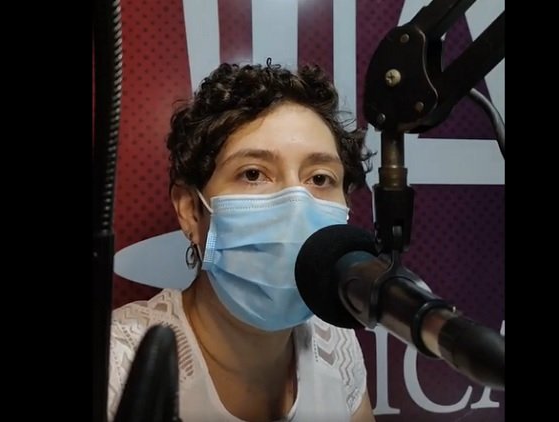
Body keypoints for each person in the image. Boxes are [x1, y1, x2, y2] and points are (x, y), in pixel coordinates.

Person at [107, 60, 376, 421]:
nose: (295, 206)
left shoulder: (335, 344)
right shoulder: (115, 366)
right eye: (253, 174)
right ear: (190, 210)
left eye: (320, 178)